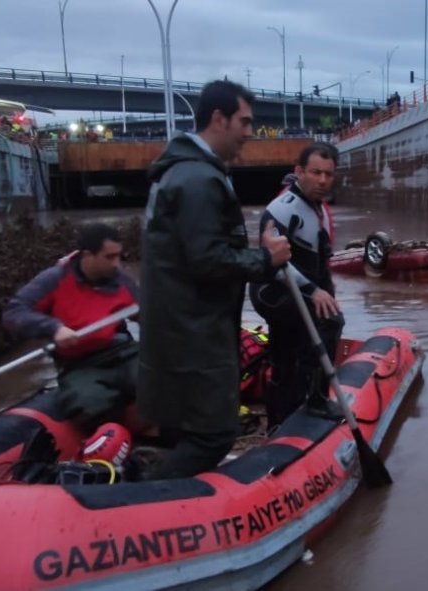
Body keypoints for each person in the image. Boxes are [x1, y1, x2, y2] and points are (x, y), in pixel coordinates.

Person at [137, 79, 291, 480]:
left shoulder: (181, 172)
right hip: (195, 331)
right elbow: (206, 260)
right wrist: (265, 259)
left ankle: (165, 490)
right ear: (219, 119)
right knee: (216, 434)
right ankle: (149, 495)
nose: (250, 132)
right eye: (245, 122)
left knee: (182, 428)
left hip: (177, 325)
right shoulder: (198, 180)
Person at [2, 223, 141, 431]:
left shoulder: (122, 280)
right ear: (88, 255)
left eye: (119, 256)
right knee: (91, 404)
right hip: (78, 364)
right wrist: (54, 328)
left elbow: (147, 316)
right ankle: (110, 438)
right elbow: (14, 312)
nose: (117, 264)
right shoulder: (54, 279)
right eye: (109, 257)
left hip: (122, 352)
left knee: (161, 379)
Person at [249, 143, 344, 428]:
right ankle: (304, 406)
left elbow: (321, 263)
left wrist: (327, 292)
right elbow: (273, 262)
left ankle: (304, 402)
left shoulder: (320, 209)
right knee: (316, 331)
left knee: (316, 329)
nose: (323, 180)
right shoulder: (281, 209)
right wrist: (314, 292)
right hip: (273, 291)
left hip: (301, 289)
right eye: (316, 172)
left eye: (328, 174)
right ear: (299, 171)